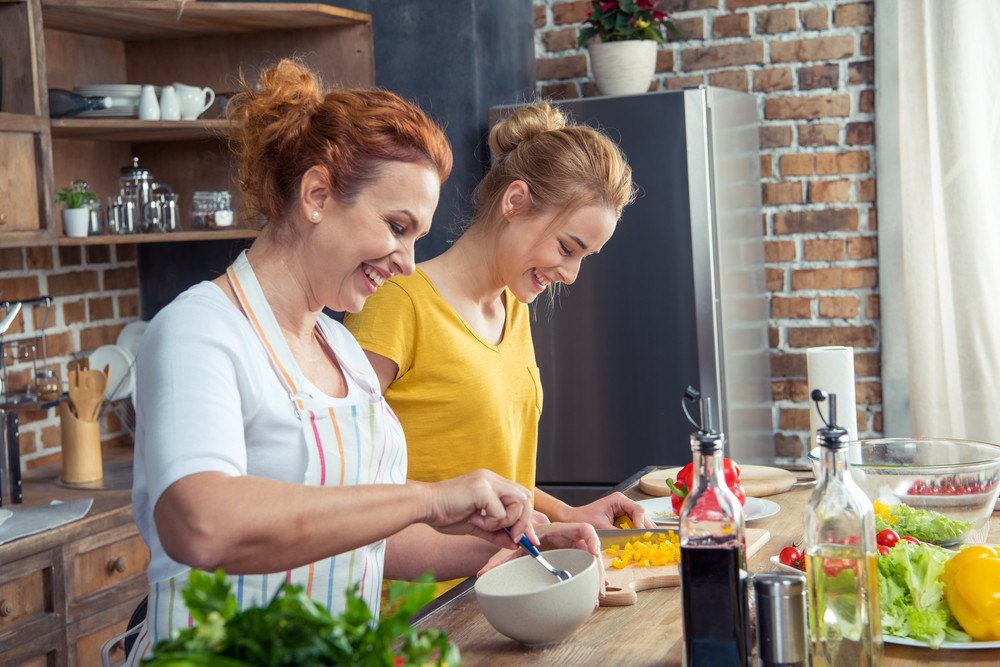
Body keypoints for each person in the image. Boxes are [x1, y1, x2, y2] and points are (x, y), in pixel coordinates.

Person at [126, 61, 599, 665]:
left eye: (416, 237)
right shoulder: (199, 331)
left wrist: (519, 544)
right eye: (396, 226)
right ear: (317, 195)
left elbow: (372, 544)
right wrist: (429, 498)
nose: (406, 260)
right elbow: (201, 525)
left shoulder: (342, 350)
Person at [343, 101, 651, 531]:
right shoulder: (397, 302)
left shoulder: (513, 306)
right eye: (567, 248)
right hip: (426, 593)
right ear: (515, 201)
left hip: (507, 582)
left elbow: (491, 476)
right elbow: (344, 481)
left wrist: (567, 514)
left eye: (585, 257)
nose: (572, 275)